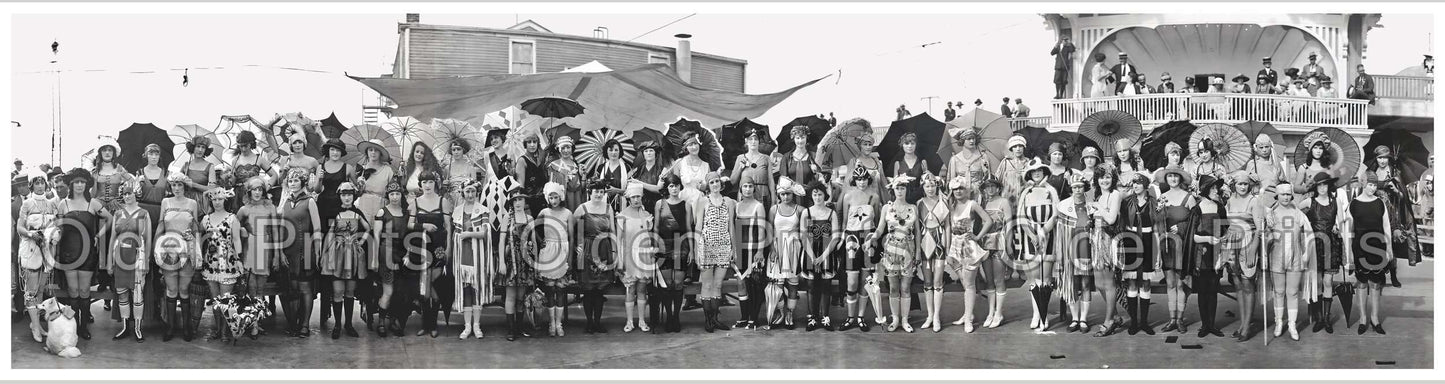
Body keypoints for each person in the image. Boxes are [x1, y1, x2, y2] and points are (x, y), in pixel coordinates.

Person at [57, 168, 109, 341]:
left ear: (87, 184)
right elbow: (57, 227)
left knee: (85, 290)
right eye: (76, 182)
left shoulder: (93, 203)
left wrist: (98, 236)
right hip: (68, 252)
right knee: (73, 291)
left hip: (88, 253)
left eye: (82, 182)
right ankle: (73, 325)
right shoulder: (63, 204)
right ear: (71, 184)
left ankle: (83, 326)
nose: (79, 185)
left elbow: (110, 219)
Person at [867, 175, 918, 332]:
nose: (900, 191)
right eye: (898, 188)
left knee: (906, 287)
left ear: (907, 190)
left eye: (903, 188)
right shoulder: (886, 208)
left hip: (908, 250)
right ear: (893, 190)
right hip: (890, 250)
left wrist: (919, 253)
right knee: (893, 287)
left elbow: (917, 232)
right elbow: (880, 228)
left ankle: (905, 320)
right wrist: (872, 237)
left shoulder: (913, 208)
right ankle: (895, 319)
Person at [314, 138, 356, 329]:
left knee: (341, 248)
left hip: (340, 211)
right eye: (332, 150)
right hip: (323, 209)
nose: (335, 153)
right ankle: (325, 309)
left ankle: (344, 318)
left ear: (342, 152)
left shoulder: (348, 168)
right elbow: (316, 189)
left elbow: (356, 190)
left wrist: (359, 184)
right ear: (327, 151)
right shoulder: (320, 165)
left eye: (338, 150)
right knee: (326, 250)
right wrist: (320, 177)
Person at [943, 176, 992, 333]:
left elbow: (988, 220)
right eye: (955, 189)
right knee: (965, 283)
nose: (958, 191)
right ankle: (967, 315)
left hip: (969, 247)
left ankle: (968, 319)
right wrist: (948, 248)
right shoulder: (951, 206)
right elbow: (949, 228)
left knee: (969, 285)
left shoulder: (972, 204)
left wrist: (977, 237)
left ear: (967, 190)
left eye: (961, 188)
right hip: (955, 248)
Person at [277, 167, 321, 338]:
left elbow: (317, 228)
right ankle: (293, 323)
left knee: (305, 288)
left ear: (303, 182)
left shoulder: (310, 201)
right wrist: (280, 252)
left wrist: (316, 252)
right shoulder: (286, 202)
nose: (292, 183)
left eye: (296, 180)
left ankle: (305, 325)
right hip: (288, 250)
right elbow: (281, 228)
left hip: (306, 249)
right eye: (290, 180)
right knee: (292, 288)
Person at [320, 182, 368, 339]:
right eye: (344, 195)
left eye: (349, 195)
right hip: (338, 253)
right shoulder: (334, 212)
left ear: (354, 196)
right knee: (338, 290)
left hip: (353, 254)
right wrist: (324, 254)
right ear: (339, 196)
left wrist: (360, 241)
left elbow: (368, 228)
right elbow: (329, 234)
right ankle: (338, 325)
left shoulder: (357, 212)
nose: (347, 198)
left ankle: (349, 324)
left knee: (350, 290)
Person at [156, 171, 199, 341]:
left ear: (185, 186)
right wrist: (156, 247)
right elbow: (161, 225)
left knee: (184, 289)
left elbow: (195, 227)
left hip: (187, 249)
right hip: (169, 250)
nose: (176, 188)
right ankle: (170, 327)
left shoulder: (192, 203)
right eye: (174, 185)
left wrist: (195, 247)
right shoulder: (165, 202)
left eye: (180, 184)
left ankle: (187, 328)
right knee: (172, 289)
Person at [408, 171, 453, 338]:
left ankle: (433, 324)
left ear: (436, 183)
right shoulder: (415, 202)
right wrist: (424, 225)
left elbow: (448, 227)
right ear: (420, 184)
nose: (427, 185)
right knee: (423, 286)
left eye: (430, 182)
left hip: (438, 248)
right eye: (424, 182)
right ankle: (426, 325)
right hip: (420, 247)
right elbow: (409, 225)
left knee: (433, 282)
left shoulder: (444, 202)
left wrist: (448, 248)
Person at [1015, 160, 1058, 331]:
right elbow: (1021, 216)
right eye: (1034, 172)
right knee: (1034, 279)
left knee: (1045, 279)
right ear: (1030, 175)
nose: (1037, 173)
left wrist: (1044, 231)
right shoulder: (1026, 192)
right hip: (1029, 238)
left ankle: (1044, 315)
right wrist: (1032, 234)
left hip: (1048, 236)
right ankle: (1036, 314)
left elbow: (1055, 214)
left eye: (1040, 170)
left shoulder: (1051, 190)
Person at [1265, 182, 1311, 341]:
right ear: (1277, 196)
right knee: (1279, 291)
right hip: (1277, 257)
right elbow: (1265, 235)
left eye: (1288, 194)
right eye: (1282, 194)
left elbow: (1308, 234)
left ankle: (1292, 324)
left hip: (1295, 257)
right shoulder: (1271, 214)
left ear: (1292, 195)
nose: (1285, 197)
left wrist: (1306, 252)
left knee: (1292, 292)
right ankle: (1279, 322)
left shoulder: (1298, 213)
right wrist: (1269, 237)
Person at [837, 165, 880, 331]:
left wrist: (875, 240)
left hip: (868, 239)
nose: (862, 182)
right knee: (852, 280)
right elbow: (844, 219)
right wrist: (841, 237)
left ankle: (861, 317)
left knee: (865, 279)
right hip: (851, 238)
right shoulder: (847, 196)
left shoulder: (874, 197)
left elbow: (876, 219)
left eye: (864, 179)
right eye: (859, 179)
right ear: (854, 180)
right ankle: (850, 317)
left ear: (868, 179)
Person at [236, 177, 282, 335]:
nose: (257, 192)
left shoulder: (270, 208)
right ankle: (252, 323)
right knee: (251, 287)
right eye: (254, 189)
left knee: (261, 288)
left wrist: (277, 254)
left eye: (260, 189)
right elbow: (235, 227)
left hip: (264, 247)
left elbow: (276, 231)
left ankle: (257, 322)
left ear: (264, 191)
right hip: (249, 248)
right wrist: (242, 232)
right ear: (249, 191)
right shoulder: (244, 209)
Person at [1302, 172, 1346, 334]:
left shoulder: (1336, 202)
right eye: (1319, 185)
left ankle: (1327, 319)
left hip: (1331, 245)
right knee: (1318, 282)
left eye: (1325, 184)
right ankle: (1319, 319)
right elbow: (1294, 211)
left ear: (1329, 186)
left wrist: (1338, 227)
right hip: (1315, 244)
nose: (1322, 188)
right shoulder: (1309, 201)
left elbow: (1341, 222)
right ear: (1315, 187)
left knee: (1328, 282)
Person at [17, 171, 58, 343]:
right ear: (31, 185)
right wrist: (30, 234)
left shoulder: (51, 204)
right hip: (31, 249)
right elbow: (20, 227)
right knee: (31, 291)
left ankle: (36, 324)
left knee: (41, 289)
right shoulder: (26, 204)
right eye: (37, 183)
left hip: (47, 251)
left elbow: (54, 225)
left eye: (43, 183)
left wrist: (54, 235)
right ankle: (35, 327)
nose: (40, 186)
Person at [693, 173, 735, 332]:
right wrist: (697, 249)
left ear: (721, 183)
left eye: (717, 181)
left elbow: (731, 225)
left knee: (718, 284)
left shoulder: (729, 202)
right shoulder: (703, 201)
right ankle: (708, 320)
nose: (715, 184)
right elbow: (698, 226)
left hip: (724, 245)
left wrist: (734, 249)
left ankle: (716, 319)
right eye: (712, 182)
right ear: (708, 185)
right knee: (707, 284)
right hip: (707, 245)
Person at [575, 180, 619, 334]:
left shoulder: (608, 208)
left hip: (604, 249)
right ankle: (589, 322)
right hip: (588, 249)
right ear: (590, 192)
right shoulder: (582, 208)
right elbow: (574, 229)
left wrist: (614, 252)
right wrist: (578, 246)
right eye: (596, 191)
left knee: (600, 290)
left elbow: (613, 231)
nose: (599, 194)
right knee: (588, 290)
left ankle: (598, 322)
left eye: (601, 191)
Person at [1119, 173, 1160, 335]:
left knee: (1146, 282)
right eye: (1133, 183)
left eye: (1138, 183)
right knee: (1132, 282)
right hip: (1131, 240)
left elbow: (1156, 229)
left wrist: (1157, 254)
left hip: (1148, 240)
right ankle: (1134, 322)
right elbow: (1122, 225)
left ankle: (1144, 322)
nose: (1135, 186)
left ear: (1145, 185)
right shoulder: (1127, 202)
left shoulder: (1153, 203)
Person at [1350, 175, 1391, 335]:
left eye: (1375, 185)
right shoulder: (1354, 204)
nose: (1373, 188)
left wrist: (1389, 250)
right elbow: (1349, 230)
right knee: (1361, 283)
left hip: (1378, 246)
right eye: (1370, 185)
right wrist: (1349, 254)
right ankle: (1362, 319)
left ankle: (1375, 319)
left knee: (1375, 283)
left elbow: (1386, 226)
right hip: (1360, 247)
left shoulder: (1380, 203)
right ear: (1363, 184)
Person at [1155, 166, 1194, 334]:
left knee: (1180, 284)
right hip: (1167, 246)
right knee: (1170, 283)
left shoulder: (1189, 198)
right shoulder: (1162, 198)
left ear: (1180, 179)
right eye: (1169, 176)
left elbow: (1196, 222)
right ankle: (1172, 319)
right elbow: (1157, 224)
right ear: (1166, 179)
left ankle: (1180, 319)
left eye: (1175, 176)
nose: (1172, 179)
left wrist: (1182, 227)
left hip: (1183, 246)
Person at [1088, 165, 1126, 337]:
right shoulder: (1099, 195)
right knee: (1098, 283)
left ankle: (1109, 320)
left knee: (1109, 283)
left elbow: (1111, 219)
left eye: (1108, 177)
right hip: (1096, 239)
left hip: (1110, 240)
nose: (1104, 180)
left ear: (1113, 179)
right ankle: (1116, 315)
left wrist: (1097, 207)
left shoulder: (1115, 195)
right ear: (1097, 179)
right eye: (1101, 177)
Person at [199, 188, 242, 339]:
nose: (217, 202)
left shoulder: (232, 218)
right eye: (214, 199)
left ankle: (225, 331)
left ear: (225, 200)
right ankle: (218, 329)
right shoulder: (206, 219)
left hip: (227, 261)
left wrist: (239, 259)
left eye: (220, 199)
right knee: (215, 300)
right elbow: (199, 236)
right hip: (210, 262)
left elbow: (236, 240)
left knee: (226, 299)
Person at [1054, 173, 1093, 334]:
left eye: (1080, 186)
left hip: (1085, 248)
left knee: (1085, 284)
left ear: (1085, 188)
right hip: (1068, 249)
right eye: (1075, 187)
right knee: (1071, 283)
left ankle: (1083, 319)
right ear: (1071, 188)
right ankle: (1074, 318)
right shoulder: (1063, 206)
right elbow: (1055, 227)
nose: (1077, 190)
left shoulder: (1091, 206)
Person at [765, 178, 807, 330]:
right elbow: (769, 230)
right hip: (777, 247)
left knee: (792, 283)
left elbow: (804, 233)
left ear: (793, 194)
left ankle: (790, 313)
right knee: (777, 284)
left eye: (788, 194)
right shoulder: (773, 209)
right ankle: (780, 312)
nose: (786, 197)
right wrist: (772, 249)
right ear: (779, 194)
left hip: (793, 248)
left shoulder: (801, 210)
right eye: (782, 194)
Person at [498, 187, 538, 341]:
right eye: (514, 200)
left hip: (525, 261)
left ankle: (520, 327)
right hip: (511, 260)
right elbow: (502, 241)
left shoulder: (530, 219)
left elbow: (533, 242)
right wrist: (501, 261)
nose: (517, 203)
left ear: (525, 201)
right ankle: (511, 329)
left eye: (520, 199)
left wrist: (534, 261)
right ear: (511, 202)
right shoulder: (507, 218)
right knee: (511, 295)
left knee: (521, 296)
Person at [652, 175, 690, 333]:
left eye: (676, 185)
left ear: (680, 187)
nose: (674, 188)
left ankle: (676, 316)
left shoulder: (686, 205)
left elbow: (688, 229)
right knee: (667, 283)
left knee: (678, 283)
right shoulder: (659, 204)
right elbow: (655, 228)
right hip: (663, 245)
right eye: (671, 186)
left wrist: (691, 251)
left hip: (680, 244)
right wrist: (654, 246)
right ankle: (669, 317)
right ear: (666, 188)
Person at [616, 183, 656, 333]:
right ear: (629, 198)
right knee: (630, 289)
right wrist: (620, 261)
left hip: (644, 255)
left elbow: (649, 237)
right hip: (629, 255)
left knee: (642, 288)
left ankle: (641, 320)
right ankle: (629, 321)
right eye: (633, 197)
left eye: (638, 196)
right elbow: (619, 240)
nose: (636, 200)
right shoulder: (622, 215)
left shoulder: (646, 215)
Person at [1191, 175, 1228, 338]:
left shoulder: (1220, 207)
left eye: (1216, 188)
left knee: (1213, 289)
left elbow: (1226, 229)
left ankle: (1212, 325)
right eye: (1212, 188)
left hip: (1216, 253)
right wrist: (1208, 239)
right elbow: (1192, 237)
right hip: (1202, 254)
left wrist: (1223, 239)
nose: (1216, 190)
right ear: (1205, 190)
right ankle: (1204, 325)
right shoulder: (1197, 209)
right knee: (1202, 290)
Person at [731, 176, 770, 330]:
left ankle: (753, 318)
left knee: (754, 284)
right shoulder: (737, 206)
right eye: (744, 186)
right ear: (740, 188)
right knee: (741, 283)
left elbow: (761, 229)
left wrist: (760, 250)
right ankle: (743, 317)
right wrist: (734, 249)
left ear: (754, 188)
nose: (747, 189)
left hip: (754, 250)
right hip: (740, 249)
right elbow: (734, 229)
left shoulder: (758, 206)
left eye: (750, 186)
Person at [533, 182, 571, 337]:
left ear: (560, 197)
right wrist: (541, 241)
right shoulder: (544, 212)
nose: (554, 200)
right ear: (547, 198)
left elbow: (572, 236)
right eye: (551, 197)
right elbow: (533, 229)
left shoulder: (568, 213)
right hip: (549, 250)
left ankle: (559, 323)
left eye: (556, 197)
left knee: (561, 289)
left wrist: (570, 257)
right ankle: (551, 323)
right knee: (549, 289)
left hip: (563, 250)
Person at [802, 180, 840, 331]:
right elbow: (804, 236)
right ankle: (812, 317)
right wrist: (812, 257)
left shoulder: (831, 213)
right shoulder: (807, 212)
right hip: (810, 251)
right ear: (812, 196)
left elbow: (835, 237)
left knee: (826, 285)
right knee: (811, 285)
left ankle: (825, 317)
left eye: (820, 194)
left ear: (825, 195)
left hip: (827, 251)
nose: (818, 197)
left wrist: (823, 257)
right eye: (815, 194)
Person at [372, 179, 408, 338]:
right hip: (386, 252)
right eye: (392, 194)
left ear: (401, 195)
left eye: (397, 194)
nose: (394, 197)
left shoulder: (405, 212)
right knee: (388, 290)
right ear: (388, 195)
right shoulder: (382, 212)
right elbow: (376, 236)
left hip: (402, 253)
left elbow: (408, 235)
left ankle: (393, 320)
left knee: (400, 290)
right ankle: (381, 322)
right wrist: (374, 258)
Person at [914, 175, 949, 332]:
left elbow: (947, 226)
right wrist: (917, 250)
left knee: (938, 281)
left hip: (940, 242)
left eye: (932, 185)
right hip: (925, 243)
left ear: (937, 185)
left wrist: (947, 248)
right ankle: (930, 315)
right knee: (927, 282)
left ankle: (936, 317)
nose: (930, 188)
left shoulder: (943, 201)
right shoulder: (919, 203)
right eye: (927, 186)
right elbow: (917, 230)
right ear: (923, 187)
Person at [227, 131, 275, 213]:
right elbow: (233, 183)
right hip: (239, 196)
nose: (243, 149)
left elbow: (274, 175)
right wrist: (231, 178)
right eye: (241, 146)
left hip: (255, 194)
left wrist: (267, 187)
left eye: (246, 146)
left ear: (251, 144)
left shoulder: (259, 159)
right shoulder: (235, 160)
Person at [730, 128, 777, 209]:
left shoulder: (766, 158)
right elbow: (733, 181)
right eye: (750, 139)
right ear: (746, 141)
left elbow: (771, 181)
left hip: (762, 195)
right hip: (745, 195)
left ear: (759, 141)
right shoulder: (740, 158)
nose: (753, 141)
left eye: (756, 139)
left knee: (762, 220)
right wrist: (740, 168)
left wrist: (773, 201)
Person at [777, 126, 821, 205]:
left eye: (802, 137)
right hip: (792, 197)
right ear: (793, 139)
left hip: (810, 197)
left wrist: (816, 170)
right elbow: (783, 179)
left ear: (807, 138)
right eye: (797, 138)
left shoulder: (813, 156)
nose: (800, 141)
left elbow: (821, 180)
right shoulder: (787, 157)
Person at [945, 127, 992, 197]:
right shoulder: (955, 159)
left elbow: (988, 179)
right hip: (961, 195)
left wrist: (985, 171)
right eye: (969, 139)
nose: (972, 141)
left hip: (978, 194)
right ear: (962, 141)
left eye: (973, 138)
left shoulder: (982, 157)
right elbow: (951, 181)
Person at [670, 132, 712, 204]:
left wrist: (705, 187)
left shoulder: (706, 165)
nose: (694, 147)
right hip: (683, 201)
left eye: (695, 143)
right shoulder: (679, 163)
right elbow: (674, 185)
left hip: (701, 203)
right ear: (685, 147)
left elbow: (710, 188)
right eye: (690, 145)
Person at [546, 136, 586, 210]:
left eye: (568, 147)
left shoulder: (576, 166)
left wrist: (583, 175)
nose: (566, 150)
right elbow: (551, 189)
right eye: (563, 148)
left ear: (572, 148)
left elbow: (582, 189)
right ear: (558, 149)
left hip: (577, 201)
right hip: (562, 202)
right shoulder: (554, 166)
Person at [892, 133, 932, 203]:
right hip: (904, 199)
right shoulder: (898, 163)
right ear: (902, 145)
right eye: (907, 143)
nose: (910, 146)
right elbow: (895, 185)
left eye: (912, 143)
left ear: (916, 145)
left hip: (920, 198)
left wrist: (929, 175)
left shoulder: (922, 162)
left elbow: (927, 182)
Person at [632, 141, 668, 214]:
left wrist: (639, 183)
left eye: (651, 151)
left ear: (656, 153)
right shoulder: (638, 169)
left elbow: (658, 189)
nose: (648, 153)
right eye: (646, 151)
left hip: (657, 205)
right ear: (643, 154)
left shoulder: (663, 170)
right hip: (641, 205)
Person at [594, 139, 632, 209]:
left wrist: (617, 190)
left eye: (616, 150)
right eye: (610, 150)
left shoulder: (627, 168)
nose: (613, 153)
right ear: (606, 152)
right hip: (604, 203)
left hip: (622, 204)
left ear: (620, 151)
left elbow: (632, 190)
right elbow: (595, 188)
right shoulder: (601, 168)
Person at [996, 135, 1030, 203]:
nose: (1018, 149)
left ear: (1024, 147)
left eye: (1020, 146)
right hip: (1008, 198)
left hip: (1025, 198)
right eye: (1015, 146)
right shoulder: (1006, 162)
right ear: (1011, 148)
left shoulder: (1029, 163)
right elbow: (997, 181)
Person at [1051, 34, 1076, 99]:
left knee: (1064, 81)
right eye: (1063, 40)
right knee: (1057, 81)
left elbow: (1072, 49)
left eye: (1066, 40)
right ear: (1061, 40)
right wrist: (1056, 45)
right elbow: (1052, 53)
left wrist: (1069, 42)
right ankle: (1057, 94)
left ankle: (1061, 95)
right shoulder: (1058, 47)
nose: (1064, 41)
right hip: (1058, 66)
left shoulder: (1068, 47)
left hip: (1065, 67)